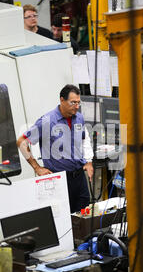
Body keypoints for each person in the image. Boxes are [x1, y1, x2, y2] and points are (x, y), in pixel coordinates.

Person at [16, 84, 94, 213]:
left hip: (79, 178)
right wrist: (37, 168)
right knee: (64, 220)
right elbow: (21, 142)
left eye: (78, 103)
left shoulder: (79, 118)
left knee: (85, 217)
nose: (77, 106)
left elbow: (84, 139)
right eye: (73, 102)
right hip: (59, 180)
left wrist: (88, 161)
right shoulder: (47, 121)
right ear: (62, 100)